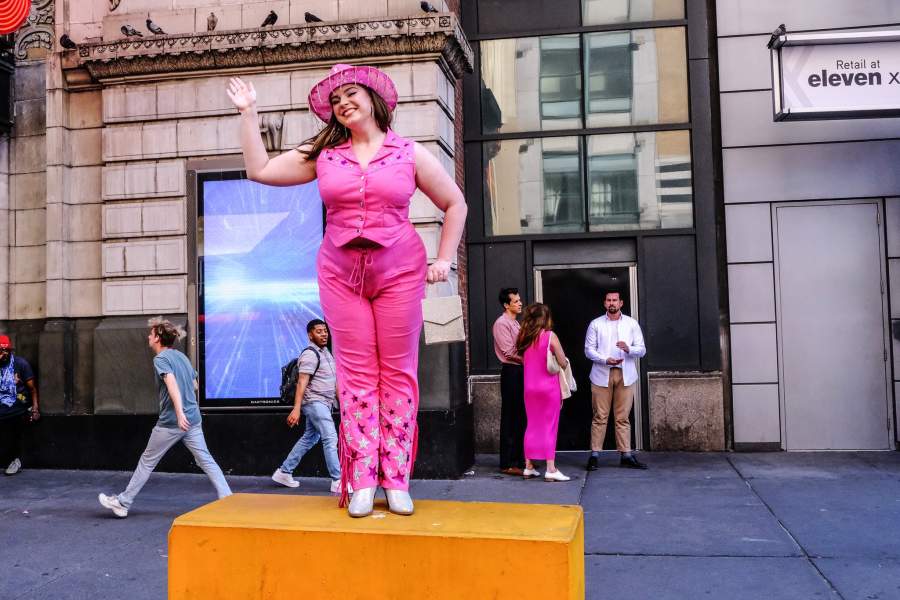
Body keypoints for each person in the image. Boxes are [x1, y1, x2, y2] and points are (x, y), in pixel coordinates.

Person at [227, 63, 466, 517]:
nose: (342, 103)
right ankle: (359, 480)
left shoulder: (408, 153)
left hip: (398, 271)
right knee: (355, 378)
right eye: (335, 100)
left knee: (397, 374)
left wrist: (444, 260)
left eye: (350, 93)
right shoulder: (326, 154)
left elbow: (455, 203)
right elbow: (259, 169)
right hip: (340, 274)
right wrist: (248, 112)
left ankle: (396, 479)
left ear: (373, 99)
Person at [98, 318, 232, 518]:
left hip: (172, 421)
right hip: (193, 419)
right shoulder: (181, 357)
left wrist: (179, 413)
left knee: (147, 461)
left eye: (151, 334)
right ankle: (228, 498)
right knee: (205, 459)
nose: (148, 337)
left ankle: (123, 503)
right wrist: (186, 407)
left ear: (158, 338)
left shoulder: (160, 359)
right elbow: (194, 384)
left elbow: (171, 384)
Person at [272, 319, 343, 493]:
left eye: (325, 330)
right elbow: (301, 383)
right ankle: (337, 480)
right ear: (310, 335)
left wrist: (342, 403)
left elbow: (334, 382)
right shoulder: (310, 354)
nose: (324, 334)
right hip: (314, 402)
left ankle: (284, 472)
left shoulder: (326, 352)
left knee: (310, 437)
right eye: (319, 331)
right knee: (330, 438)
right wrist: (296, 409)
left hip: (325, 403)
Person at [584, 291, 648, 470]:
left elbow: (642, 350)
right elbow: (588, 350)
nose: (612, 303)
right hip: (601, 374)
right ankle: (594, 455)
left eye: (615, 300)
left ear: (621, 303)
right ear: (605, 303)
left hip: (625, 374)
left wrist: (629, 349)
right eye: (608, 300)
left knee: (622, 417)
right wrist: (606, 360)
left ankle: (626, 454)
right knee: (600, 416)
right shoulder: (595, 324)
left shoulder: (631, 323)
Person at [516, 303, 571, 482]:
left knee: (531, 424)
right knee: (549, 426)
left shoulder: (523, 336)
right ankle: (551, 468)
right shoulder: (549, 336)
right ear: (544, 318)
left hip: (529, 388)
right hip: (548, 388)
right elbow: (562, 361)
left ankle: (529, 466)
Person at [492, 287, 526, 476]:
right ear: (506, 305)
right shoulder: (501, 323)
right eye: (515, 301)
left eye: (519, 300)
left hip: (521, 372)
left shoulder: (516, 323)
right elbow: (508, 353)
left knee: (521, 416)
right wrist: (530, 360)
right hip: (511, 372)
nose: (520, 303)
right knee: (511, 417)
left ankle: (520, 460)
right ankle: (508, 463)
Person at [0, 335, 39, 476]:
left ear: (10, 350)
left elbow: (32, 389)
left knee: (12, 437)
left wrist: (35, 408)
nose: (3, 353)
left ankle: (15, 461)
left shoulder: (20, 364)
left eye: (5, 350)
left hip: (16, 409)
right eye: (0, 350)